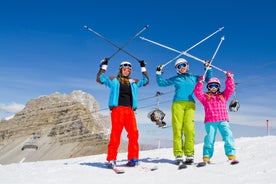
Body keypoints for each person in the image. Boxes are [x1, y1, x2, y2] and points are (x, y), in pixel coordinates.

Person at [156, 58, 212, 165]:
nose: (182, 68)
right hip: (177, 104)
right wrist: (158, 73)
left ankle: (189, 154)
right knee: (178, 129)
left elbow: (208, 79)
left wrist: (208, 68)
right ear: (177, 69)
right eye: (179, 67)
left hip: (190, 104)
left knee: (189, 129)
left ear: (187, 66)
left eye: (183, 65)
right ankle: (178, 154)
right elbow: (161, 83)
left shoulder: (194, 77)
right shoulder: (176, 79)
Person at [96, 58, 149, 168]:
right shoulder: (113, 80)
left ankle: (133, 158)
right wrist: (103, 67)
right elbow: (100, 79)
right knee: (116, 134)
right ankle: (111, 159)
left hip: (130, 111)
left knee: (134, 134)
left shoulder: (133, 82)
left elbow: (146, 80)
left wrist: (143, 67)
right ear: (121, 69)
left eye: (129, 70)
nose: (127, 71)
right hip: (117, 110)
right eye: (125, 69)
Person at [194, 71, 238, 166]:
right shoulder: (206, 98)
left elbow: (230, 88)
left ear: (219, 87)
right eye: (211, 86)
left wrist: (229, 78)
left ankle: (231, 155)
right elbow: (197, 93)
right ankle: (206, 157)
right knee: (209, 139)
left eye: (215, 86)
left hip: (223, 120)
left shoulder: (223, 96)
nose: (213, 88)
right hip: (210, 121)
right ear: (208, 87)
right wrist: (200, 83)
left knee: (228, 136)